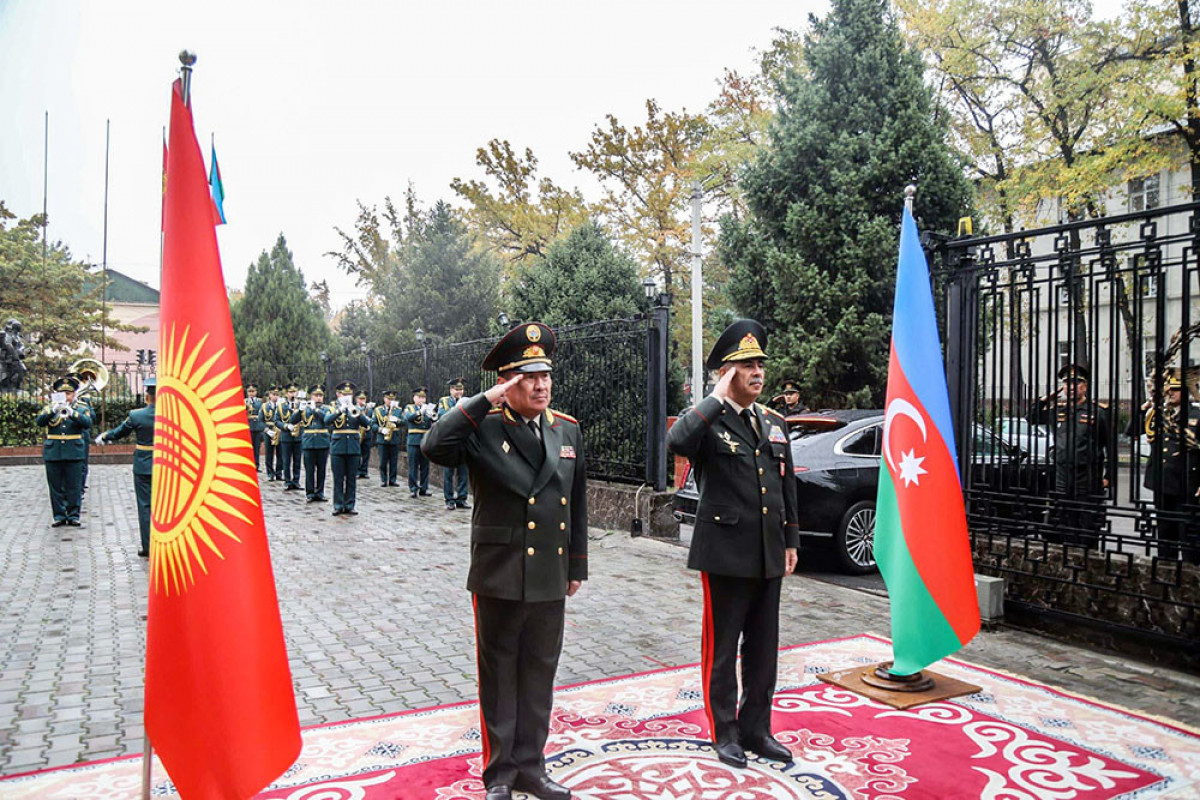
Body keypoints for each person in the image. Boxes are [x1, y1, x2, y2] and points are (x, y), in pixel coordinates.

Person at [423, 322, 587, 800]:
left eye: (545, 376)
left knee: (539, 674)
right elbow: (435, 447)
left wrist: (575, 566)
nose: (540, 385)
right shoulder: (483, 430)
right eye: (527, 377)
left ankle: (532, 769)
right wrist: (482, 402)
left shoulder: (567, 429)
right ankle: (499, 774)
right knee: (499, 676)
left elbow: (575, 503)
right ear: (507, 383)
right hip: (499, 574)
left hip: (548, 577)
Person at [665, 319, 799, 770]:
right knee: (722, 650)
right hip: (724, 554)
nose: (758, 372)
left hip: (767, 551)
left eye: (760, 363)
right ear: (726, 374)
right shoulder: (709, 420)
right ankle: (725, 733)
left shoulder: (774, 423)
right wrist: (715, 395)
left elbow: (787, 488)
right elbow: (676, 441)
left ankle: (757, 728)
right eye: (746, 365)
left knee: (763, 647)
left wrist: (791, 539)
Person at [1031, 364, 1110, 547]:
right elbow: (1032, 417)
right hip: (1062, 474)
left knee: (1086, 521)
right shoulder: (1058, 409)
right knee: (1064, 518)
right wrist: (1044, 400)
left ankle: (1087, 557)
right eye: (1067, 383)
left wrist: (1108, 476)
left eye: (1076, 383)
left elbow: (1109, 445)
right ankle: (1066, 558)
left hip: (1087, 475)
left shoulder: (1097, 412)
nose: (1071, 387)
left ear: (1085, 386)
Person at [1140, 374, 1200, 563]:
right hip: (1163, 483)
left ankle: (1190, 580)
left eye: (1175, 389)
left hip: (1186, 484)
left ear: (1186, 392)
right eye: (1168, 389)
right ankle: (1166, 576)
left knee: (1188, 536)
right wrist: (1145, 408)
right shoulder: (1158, 414)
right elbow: (1133, 431)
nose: (1170, 393)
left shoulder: (1196, 416)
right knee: (1165, 535)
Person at [97, 376, 156, 557]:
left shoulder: (136, 415)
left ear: (147, 396)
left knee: (145, 506)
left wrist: (105, 436)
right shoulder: (173, 415)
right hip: (166, 465)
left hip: (144, 465)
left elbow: (119, 433)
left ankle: (148, 546)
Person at [36, 376, 93, 527]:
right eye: (63, 394)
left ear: (74, 394)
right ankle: (59, 515)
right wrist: (53, 410)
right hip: (54, 452)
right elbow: (39, 421)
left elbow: (87, 423)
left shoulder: (81, 408)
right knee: (55, 486)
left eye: (69, 394)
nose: (66, 397)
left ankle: (73, 515)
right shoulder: (49, 408)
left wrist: (72, 413)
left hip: (73, 451)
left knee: (73, 485)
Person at [326, 381, 368, 516]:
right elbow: (327, 420)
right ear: (339, 395)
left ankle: (350, 505)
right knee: (338, 478)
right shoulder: (333, 407)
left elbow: (368, 423)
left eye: (350, 394)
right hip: (338, 447)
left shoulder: (356, 408)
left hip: (354, 447)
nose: (347, 396)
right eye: (345, 394)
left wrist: (357, 413)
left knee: (351, 478)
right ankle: (338, 505)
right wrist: (340, 410)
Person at [292, 385, 331, 502]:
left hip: (322, 442)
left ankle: (320, 492)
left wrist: (315, 410)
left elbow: (327, 420)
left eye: (320, 396)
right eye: (316, 395)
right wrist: (299, 410)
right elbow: (293, 421)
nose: (318, 398)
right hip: (309, 442)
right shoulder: (305, 409)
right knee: (309, 469)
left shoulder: (326, 409)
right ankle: (309, 493)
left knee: (321, 469)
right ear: (311, 396)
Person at [438, 377, 471, 510]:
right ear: (451, 390)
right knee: (449, 472)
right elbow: (442, 415)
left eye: (461, 389)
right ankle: (449, 499)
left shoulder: (466, 401)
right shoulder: (444, 401)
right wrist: (457, 409)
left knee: (463, 471)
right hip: (450, 440)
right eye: (457, 389)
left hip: (463, 439)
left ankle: (462, 498)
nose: (459, 392)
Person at [403, 386, 435, 498]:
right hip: (413, 440)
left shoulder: (427, 409)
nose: (422, 400)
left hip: (425, 439)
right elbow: (409, 417)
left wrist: (431, 415)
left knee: (425, 466)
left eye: (423, 397)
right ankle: (413, 488)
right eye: (419, 397)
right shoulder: (409, 407)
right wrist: (420, 411)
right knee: (413, 465)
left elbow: (434, 421)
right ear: (414, 398)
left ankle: (424, 488)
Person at [373, 390, 404, 487]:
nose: (390, 401)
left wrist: (396, 420)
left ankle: (392, 479)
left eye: (392, 399)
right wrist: (380, 430)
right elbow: (372, 424)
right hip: (382, 438)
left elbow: (404, 422)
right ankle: (383, 479)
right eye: (388, 399)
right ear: (384, 399)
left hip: (394, 438)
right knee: (383, 461)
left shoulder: (398, 410)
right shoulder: (378, 410)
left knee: (394, 461)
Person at [278, 382, 303, 491]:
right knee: (286, 460)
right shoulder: (281, 406)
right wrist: (285, 426)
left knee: (297, 460)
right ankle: (287, 481)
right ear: (286, 394)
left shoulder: (301, 405)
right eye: (290, 392)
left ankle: (296, 481)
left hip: (298, 436)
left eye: (294, 392)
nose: (292, 394)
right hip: (286, 436)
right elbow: (276, 421)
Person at [260, 385, 283, 481]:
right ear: (269, 395)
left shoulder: (282, 406)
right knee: (269, 453)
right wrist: (267, 430)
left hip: (280, 430)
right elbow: (260, 420)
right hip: (269, 430)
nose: (275, 396)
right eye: (273, 394)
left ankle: (279, 473)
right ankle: (270, 473)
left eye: (277, 394)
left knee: (280, 453)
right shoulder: (264, 406)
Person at [245, 383, 265, 472]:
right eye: (249, 391)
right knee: (248, 448)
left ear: (256, 392)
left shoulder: (260, 402)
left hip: (258, 427)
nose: (251, 393)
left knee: (257, 448)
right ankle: (248, 466)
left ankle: (256, 466)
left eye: (253, 391)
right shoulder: (244, 402)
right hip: (248, 427)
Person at [355, 389, 373, 479]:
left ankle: (364, 471)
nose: (362, 401)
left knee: (366, 453)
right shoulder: (354, 408)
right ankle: (357, 471)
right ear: (356, 399)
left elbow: (372, 420)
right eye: (360, 399)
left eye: (364, 399)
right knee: (357, 453)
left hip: (367, 433)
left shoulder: (369, 409)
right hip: (358, 433)